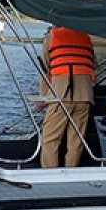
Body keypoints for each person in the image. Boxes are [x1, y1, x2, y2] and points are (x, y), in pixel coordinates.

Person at [39, 26, 95, 168]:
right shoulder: (86, 37)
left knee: (50, 140)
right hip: (84, 96)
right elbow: (92, 64)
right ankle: (71, 172)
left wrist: (43, 97)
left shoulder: (52, 36)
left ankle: (50, 175)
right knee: (76, 141)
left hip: (60, 96)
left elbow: (46, 70)